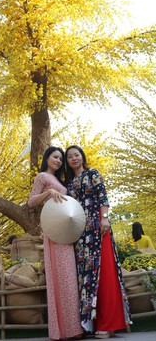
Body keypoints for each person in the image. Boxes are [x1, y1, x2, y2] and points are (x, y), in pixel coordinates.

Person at [65, 145, 130, 340]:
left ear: (82, 157)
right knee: (88, 278)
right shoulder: (71, 183)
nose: (74, 158)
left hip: (99, 229)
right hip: (82, 235)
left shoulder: (92, 173)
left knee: (106, 274)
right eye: (70, 156)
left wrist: (105, 218)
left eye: (77, 155)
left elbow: (103, 196)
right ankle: (91, 323)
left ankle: (109, 324)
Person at [28, 146, 83, 341]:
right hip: (54, 234)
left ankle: (74, 327)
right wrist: (48, 192)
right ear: (47, 158)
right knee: (60, 279)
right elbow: (31, 201)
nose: (59, 160)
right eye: (55, 157)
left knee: (69, 279)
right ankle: (62, 331)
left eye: (61, 158)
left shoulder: (60, 180)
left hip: (66, 233)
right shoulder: (42, 177)